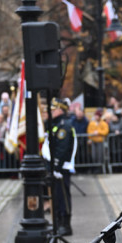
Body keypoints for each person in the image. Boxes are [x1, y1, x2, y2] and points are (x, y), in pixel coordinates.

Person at [47, 98, 76, 235]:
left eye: (53, 109)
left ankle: (65, 224)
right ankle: (58, 222)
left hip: (62, 167)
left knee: (63, 196)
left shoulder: (64, 125)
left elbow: (62, 148)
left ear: (60, 109)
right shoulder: (56, 124)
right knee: (57, 196)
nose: (51, 112)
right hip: (55, 167)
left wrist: (57, 166)